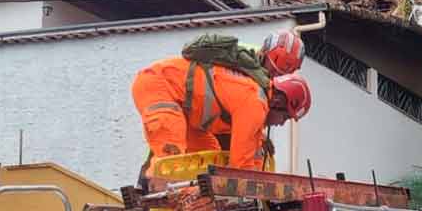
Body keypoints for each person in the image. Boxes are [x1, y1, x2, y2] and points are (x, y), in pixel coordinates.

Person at [131, 57, 310, 171]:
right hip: (159, 86)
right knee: (170, 158)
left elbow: (250, 157)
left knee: (212, 160)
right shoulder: (255, 104)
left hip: (185, 111)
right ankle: (149, 204)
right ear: (278, 102)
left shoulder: (254, 104)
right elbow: (240, 167)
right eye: (286, 117)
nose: (281, 124)